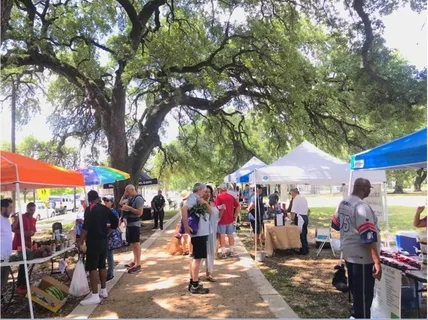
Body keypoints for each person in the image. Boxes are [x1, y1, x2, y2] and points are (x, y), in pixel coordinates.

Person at [331, 178, 381, 319]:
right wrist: (376, 261)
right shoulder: (361, 207)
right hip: (362, 258)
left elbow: (335, 224)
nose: (370, 191)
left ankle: (357, 313)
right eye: (369, 189)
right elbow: (368, 237)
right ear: (364, 189)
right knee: (364, 297)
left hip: (349, 253)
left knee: (357, 292)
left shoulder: (344, 202)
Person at [79, 190, 119, 305]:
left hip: (93, 241)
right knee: (102, 265)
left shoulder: (89, 209)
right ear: (98, 198)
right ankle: (103, 290)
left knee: (92, 267)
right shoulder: (105, 208)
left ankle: (95, 295)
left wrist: (80, 241)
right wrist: (108, 231)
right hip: (103, 241)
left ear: (89, 199)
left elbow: (85, 227)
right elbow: (115, 221)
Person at [182, 183, 212, 294]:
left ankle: (193, 282)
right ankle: (195, 284)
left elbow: (210, 211)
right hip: (199, 233)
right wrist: (186, 225)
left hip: (201, 232)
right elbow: (184, 209)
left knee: (195, 258)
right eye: (204, 191)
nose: (206, 193)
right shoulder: (193, 198)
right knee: (197, 259)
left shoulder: (197, 199)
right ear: (199, 190)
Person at [12, 202, 37, 294]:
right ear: (27, 209)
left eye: (34, 210)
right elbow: (13, 229)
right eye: (31, 210)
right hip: (19, 242)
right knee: (22, 263)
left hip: (28, 244)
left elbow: (34, 231)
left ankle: (24, 283)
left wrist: (31, 233)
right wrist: (24, 232)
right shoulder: (21, 217)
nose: (32, 211)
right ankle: (20, 285)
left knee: (26, 264)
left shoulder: (34, 219)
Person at [201, 185, 224, 282]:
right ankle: (195, 275)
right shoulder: (199, 203)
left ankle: (209, 273)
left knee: (211, 252)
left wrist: (222, 210)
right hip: (202, 231)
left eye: (209, 192)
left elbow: (218, 217)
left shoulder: (213, 204)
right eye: (205, 192)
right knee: (201, 253)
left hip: (212, 230)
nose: (207, 194)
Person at [120, 185, 144, 274]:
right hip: (130, 224)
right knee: (133, 244)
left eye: (127, 191)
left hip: (135, 224)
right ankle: (135, 261)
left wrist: (129, 208)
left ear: (132, 189)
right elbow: (121, 203)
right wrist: (124, 195)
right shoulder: (130, 198)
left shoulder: (138, 199)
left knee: (136, 243)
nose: (127, 193)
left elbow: (140, 212)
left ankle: (138, 264)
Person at [215, 184, 240, 258]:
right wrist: (235, 215)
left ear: (220, 190)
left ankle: (223, 252)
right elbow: (238, 206)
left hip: (221, 219)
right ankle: (231, 251)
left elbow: (216, 208)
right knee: (230, 235)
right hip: (230, 219)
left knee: (222, 236)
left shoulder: (219, 197)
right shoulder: (231, 197)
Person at [103, 195, 120, 282]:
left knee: (109, 255)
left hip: (110, 235)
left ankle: (110, 273)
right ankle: (109, 272)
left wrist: (107, 226)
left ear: (112, 202)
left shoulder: (113, 212)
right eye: (105, 201)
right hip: (105, 235)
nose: (105, 203)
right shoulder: (104, 211)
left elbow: (116, 224)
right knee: (106, 254)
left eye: (107, 201)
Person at [289, 188, 309, 255]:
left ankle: (303, 250)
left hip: (300, 218)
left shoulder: (296, 199)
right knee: (304, 233)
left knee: (301, 234)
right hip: (305, 217)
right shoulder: (303, 198)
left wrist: (292, 220)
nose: (291, 195)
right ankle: (306, 248)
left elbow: (293, 211)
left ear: (294, 193)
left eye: (291, 194)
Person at [1, 198, 13, 293]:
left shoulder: (6, 220)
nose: (11, 209)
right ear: (2, 208)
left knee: (4, 281)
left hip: (7, 256)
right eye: (9, 207)